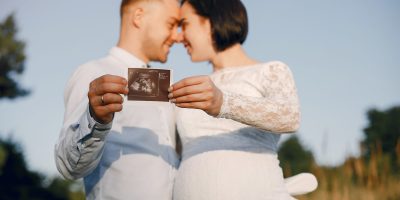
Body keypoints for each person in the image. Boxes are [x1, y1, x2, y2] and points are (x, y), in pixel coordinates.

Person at [168, 0, 315, 199]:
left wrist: (223, 103)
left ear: (212, 20)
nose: (178, 36)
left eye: (184, 24)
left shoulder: (271, 71)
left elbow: (290, 116)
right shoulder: (193, 87)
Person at [54, 0, 181, 199]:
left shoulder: (163, 84)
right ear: (138, 17)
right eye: (171, 24)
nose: (178, 36)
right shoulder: (93, 73)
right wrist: (95, 118)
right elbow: (69, 168)